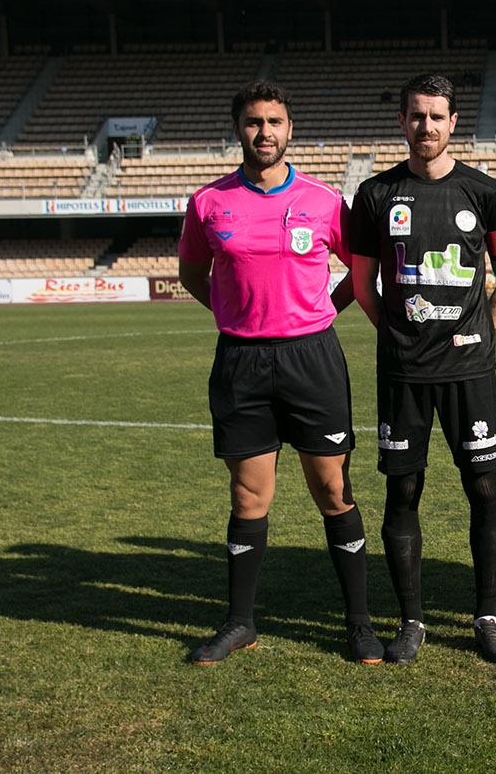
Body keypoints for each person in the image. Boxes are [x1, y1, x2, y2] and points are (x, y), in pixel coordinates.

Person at [178, 80, 381, 665]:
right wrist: (231, 314)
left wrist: (321, 311)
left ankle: (359, 623)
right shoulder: (208, 203)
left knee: (333, 489)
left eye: (274, 122)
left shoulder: (322, 201)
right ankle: (240, 623)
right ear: (237, 129)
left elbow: (357, 271)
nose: (263, 132)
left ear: (290, 130)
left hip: (310, 357)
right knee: (248, 497)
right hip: (241, 360)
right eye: (252, 122)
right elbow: (195, 272)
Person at [349, 74, 496, 664]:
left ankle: (488, 617)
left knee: (484, 486)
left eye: (437, 116)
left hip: (469, 370)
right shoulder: (374, 195)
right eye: (416, 116)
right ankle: (412, 622)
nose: (427, 126)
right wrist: (394, 335)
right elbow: (362, 282)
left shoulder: (484, 191)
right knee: (403, 489)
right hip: (403, 373)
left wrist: (484, 330)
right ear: (402, 122)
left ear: (454, 124)